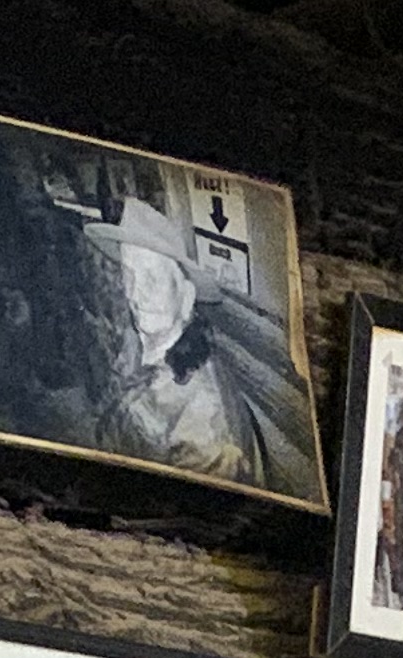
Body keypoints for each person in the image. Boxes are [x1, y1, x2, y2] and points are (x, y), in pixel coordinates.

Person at [70, 196, 316, 500]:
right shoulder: (161, 359)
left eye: (152, 278)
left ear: (186, 296)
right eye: (130, 276)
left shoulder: (205, 425)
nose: (136, 294)